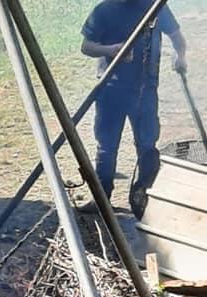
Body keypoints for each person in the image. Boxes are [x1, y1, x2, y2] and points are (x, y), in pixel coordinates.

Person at [80, 0, 186, 209]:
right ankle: (101, 198)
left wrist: (180, 56)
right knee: (107, 146)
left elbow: (177, 37)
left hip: (145, 88)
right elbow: (86, 46)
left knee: (147, 144)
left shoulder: (156, 6)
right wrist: (111, 50)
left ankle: (145, 197)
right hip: (111, 89)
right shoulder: (104, 9)